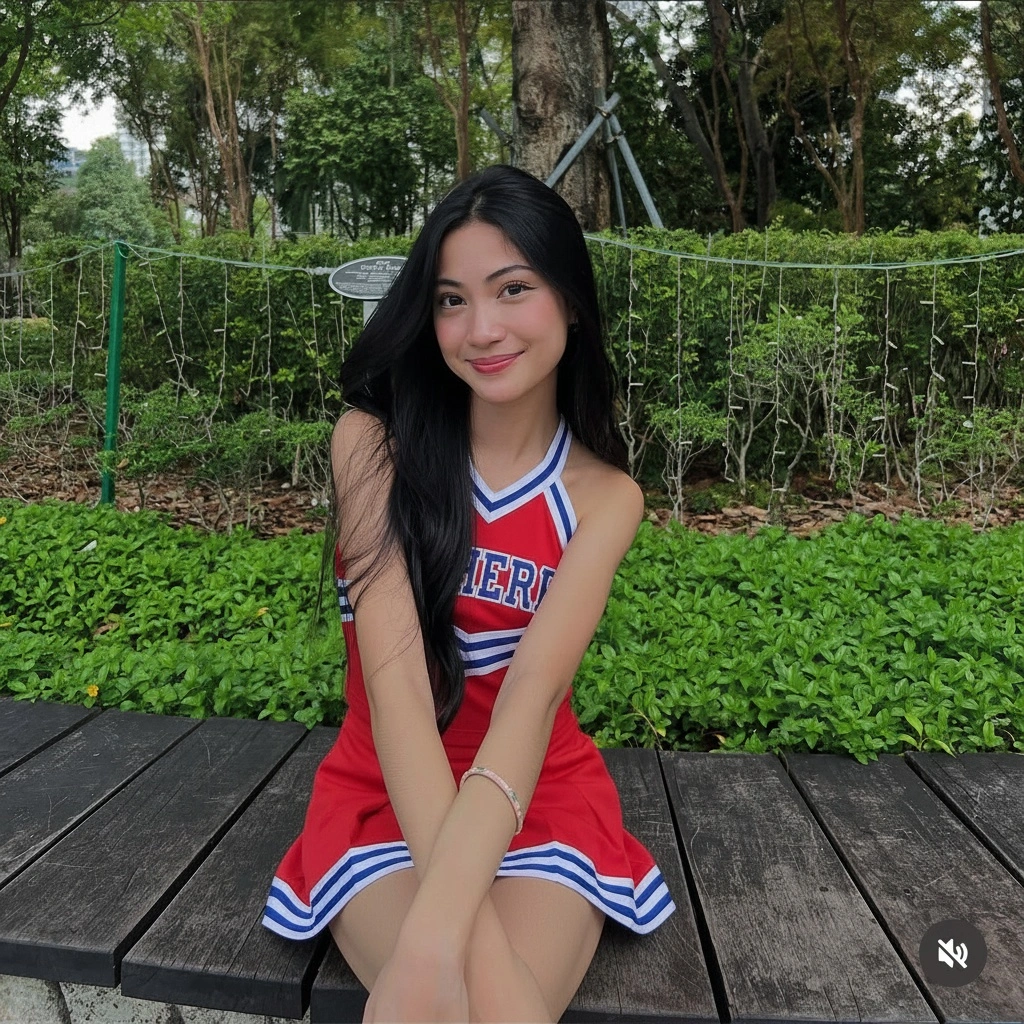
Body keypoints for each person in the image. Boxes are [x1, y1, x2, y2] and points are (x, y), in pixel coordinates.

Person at [261, 164, 676, 1023]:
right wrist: (434, 938)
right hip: (387, 788)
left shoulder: (603, 498)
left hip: (534, 794)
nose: (480, 329)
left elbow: (529, 702)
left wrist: (438, 929)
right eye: (451, 300)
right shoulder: (372, 446)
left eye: (512, 289)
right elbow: (398, 689)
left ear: (570, 300)